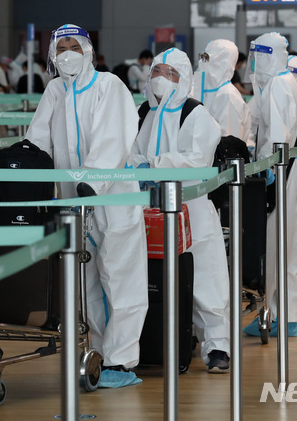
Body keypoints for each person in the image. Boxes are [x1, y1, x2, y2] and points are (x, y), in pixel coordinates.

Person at [25, 23, 148, 388]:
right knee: (86, 283)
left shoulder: (109, 86)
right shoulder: (55, 90)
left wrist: (91, 183)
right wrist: (16, 172)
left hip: (113, 199)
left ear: (87, 50)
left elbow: (115, 140)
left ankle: (122, 360)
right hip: (71, 203)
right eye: (60, 46)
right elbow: (37, 141)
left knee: (121, 278)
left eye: (72, 45)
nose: (66, 52)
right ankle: (98, 353)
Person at [130, 47, 231, 373]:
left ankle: (218, 348)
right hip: (153, 208)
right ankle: (162, 341)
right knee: (154, 278)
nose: (161, 79)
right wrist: (139, 170)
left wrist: (155, 165)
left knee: (204, 277)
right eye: (157, 71)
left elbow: (197, 160)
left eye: (170, 73)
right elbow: (133, 154)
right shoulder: (149, 113)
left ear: (184, 78)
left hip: (193, 207)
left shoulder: (196, 114)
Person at [242, 32, 297, 338]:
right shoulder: (281, 83)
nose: (255, 62)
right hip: (289, 168)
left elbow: (278, 134)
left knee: (279, 241)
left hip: (281, 170)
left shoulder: (279, 84)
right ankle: (285, 315)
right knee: (288, 242)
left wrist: (267, 166)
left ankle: (279, 315)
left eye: (259, 55)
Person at [191, 39, 251, 141]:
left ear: (222, 62)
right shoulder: (201, 89)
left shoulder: (228, 95)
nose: (203, 62)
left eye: (207, 58)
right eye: (203, 57)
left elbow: (228, 143)